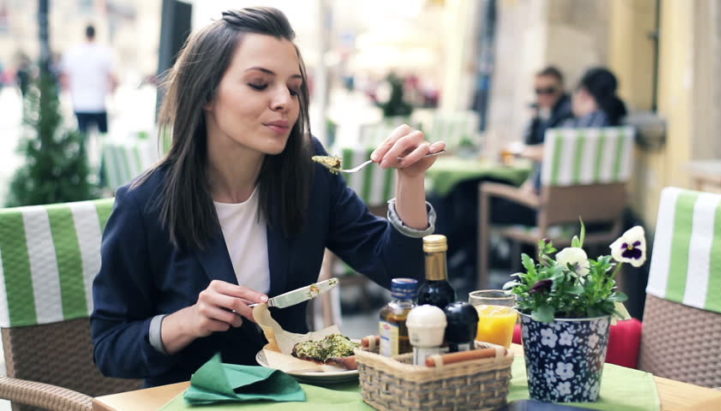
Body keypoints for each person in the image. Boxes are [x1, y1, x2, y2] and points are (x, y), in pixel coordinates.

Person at [91, 7, 444, 387]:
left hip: (298, 394)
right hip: (190, 399)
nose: (285, 102)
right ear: (206, 93)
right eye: (260, 84)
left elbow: (403, 276)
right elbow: (109, 348)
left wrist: (410, 180)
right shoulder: (144, 204)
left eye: (293, 88)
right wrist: (187, 321)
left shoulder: (310, 173)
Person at [60, 24, 116, 134]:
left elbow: (65, 77)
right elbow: (112, 77)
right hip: (99, 102)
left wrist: (67, 94)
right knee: (102, 138)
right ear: (95, 34)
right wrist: (112, 94)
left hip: (79, 102)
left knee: (82, 138)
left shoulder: (72, 52)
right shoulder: (104, 52)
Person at [562, 67, 627, 128]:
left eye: (576, 90)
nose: (573, 97)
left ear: (584, 94)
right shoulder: (618, 120)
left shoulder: (578, 125)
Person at [523, 66, 572, 147]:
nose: (543, 96)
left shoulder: (568, 110)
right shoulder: (544, 111)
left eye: (549, 90)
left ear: (561, 88)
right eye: (538, 91)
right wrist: (535, 119)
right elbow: (530, 142)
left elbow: (554, 145)